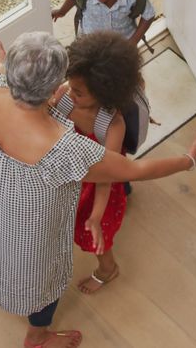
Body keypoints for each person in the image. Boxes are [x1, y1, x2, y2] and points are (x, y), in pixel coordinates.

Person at [0, 31, 196, 348]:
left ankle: (26, 313)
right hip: (32, 222)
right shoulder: (64, 148)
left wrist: (2, 66)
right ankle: (37, 336)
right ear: (52, 91)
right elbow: (135, 169)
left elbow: (0, 82)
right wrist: (188, 160)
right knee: (39, 272)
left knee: (4, 252)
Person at [53, 31, 141, 293]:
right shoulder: (66, 95)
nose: (70, 91)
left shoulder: (112, 124)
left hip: (98, 182)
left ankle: (107, 269)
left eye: (78, 91)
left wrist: (96, 214)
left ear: (104, 92)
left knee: (95, 232)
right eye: (69, 83)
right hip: (71, 174)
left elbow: (106, 175)